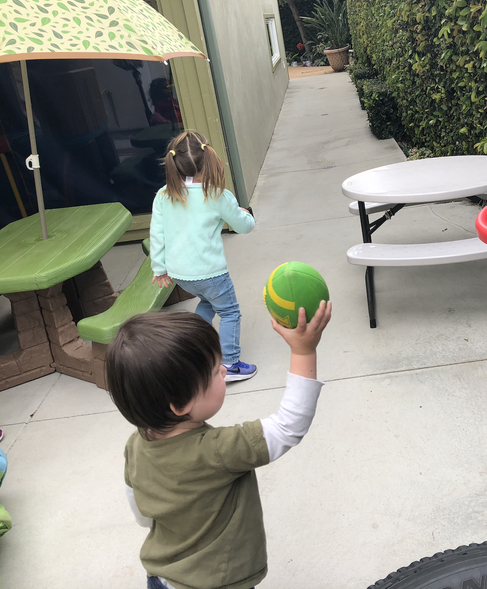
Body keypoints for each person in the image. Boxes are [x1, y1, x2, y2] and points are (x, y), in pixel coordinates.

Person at [107, 303, 332, 589]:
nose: (225, 371)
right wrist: (304, 352)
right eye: (216, 370)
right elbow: (288, 427)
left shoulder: (135, 445)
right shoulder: (218, 450)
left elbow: (139, 509)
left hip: (162, 578)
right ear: (180, 405)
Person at [150, 130, 257, 382]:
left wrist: (159, 268)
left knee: (208, 303)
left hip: (181, 275)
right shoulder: (217, 194)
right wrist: (247, 214)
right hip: (211, 273)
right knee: (230, 311)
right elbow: (243, 226)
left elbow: (157, 234)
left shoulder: (164, 195)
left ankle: (195, 352)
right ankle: (230, 364)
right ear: (210, 159)